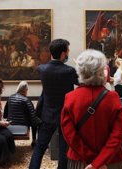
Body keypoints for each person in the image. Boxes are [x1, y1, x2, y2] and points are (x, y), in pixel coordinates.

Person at [61, 49, 122, 169]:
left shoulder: (70, 98)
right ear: (102, 71)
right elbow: (118, 135)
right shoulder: (113, 97)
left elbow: (70, 135)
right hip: (111, 161)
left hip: (81, 161)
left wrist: (93, 162)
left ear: (80, 71)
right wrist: (99, 162)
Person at [29, 39, 79, 169]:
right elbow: (82, 82)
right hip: (65, 115)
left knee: (40, 148)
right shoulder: (69, 71)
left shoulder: (42, 69)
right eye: (67, 51)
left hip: (47, 114)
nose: (68, 53)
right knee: (64, 150)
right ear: (63, 54)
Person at [4, 81, 42, 147]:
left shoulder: (10, 98)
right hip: (23, 124)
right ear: (25, 90)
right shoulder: (26, 100)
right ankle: (34, 141)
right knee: (36, 121)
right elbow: (33, 118)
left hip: (10, 122)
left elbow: (5, 114)